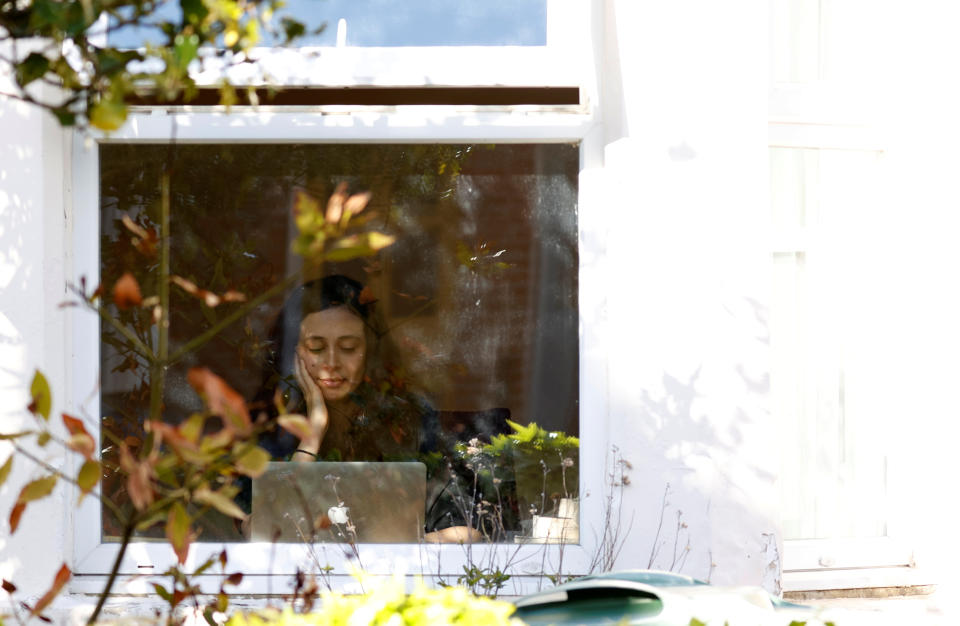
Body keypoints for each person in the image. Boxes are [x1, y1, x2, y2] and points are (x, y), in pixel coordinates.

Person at [254, 275, 483, 543]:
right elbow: (264, 532)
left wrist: (396, 546)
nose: (331, 363)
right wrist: (312, 434)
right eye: (316, 347)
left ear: (371, 352)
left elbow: (468, 529)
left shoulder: (409, 418)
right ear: (295, 354)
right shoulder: (272, 424)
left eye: (348, 348)